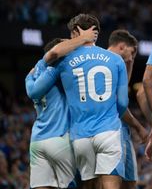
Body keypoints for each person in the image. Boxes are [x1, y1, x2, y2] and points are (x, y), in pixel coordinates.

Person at [39, 13, 128, 189]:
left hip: (80, 135)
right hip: (108, 130)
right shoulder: (116, 59)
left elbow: (49, 58)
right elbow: (123, 103)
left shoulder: (63, 61)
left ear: (74, 32)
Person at [25, 27, 97, 189]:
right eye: (69, 48)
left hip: (37, 140)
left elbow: (32, 91)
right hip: (60, 138)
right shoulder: (59, 69)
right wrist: (84, 39)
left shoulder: (32, 75)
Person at [107, 29, 148, 189]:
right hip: (110, 131)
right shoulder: (109, 62)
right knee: (114, 182)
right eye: (131, 52)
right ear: (122, 46)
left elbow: (121, 91)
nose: (132, 57)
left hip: (121, 131)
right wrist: (139, 127)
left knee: (130, 182)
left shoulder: (110, 62)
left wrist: (129, 64)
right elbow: (120, 103)